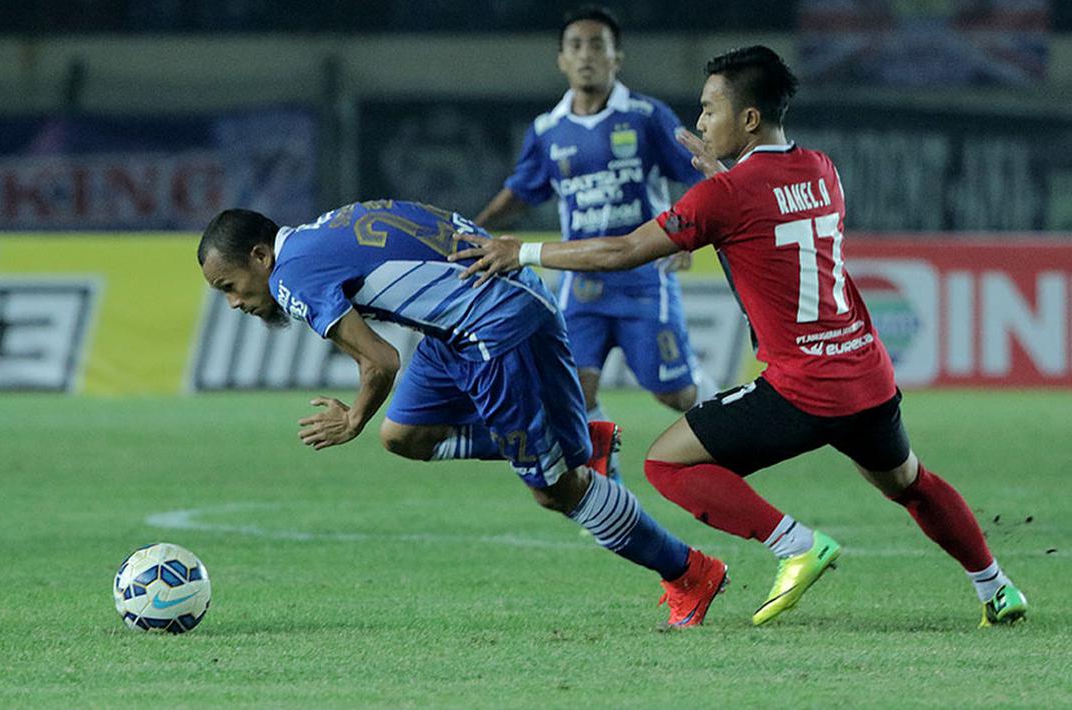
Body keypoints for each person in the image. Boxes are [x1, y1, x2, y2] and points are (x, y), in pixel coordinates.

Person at [450, 46, 1028, 628]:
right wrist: (725, 181)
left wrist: (520, 251)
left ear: (748, 118)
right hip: (865, 374)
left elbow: (623, 250)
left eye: (710, 109)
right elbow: (766, 218)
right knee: (909, 482)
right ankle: (997, 587)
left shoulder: (724, 197)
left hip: (803, 387)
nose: (700, 123)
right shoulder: (821, 169)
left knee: (667, 465)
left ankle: (796, 544)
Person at [196, 199, 728, 628]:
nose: (234, 303)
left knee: (556, 490)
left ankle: (689, 572)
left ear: (261, 256)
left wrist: (352, 418)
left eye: (229, 287)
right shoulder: (325, 227)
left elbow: (380, 361)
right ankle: (576, 441)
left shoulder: (291, 276)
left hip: (491, 331)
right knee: (404, 435)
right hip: (477, 318)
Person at [474, 5, 716, 463]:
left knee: (674, 394)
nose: (586, 55)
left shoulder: (646, 116)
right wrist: (474, 228)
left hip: (644, 278)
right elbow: (521, 192)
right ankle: (607, 485)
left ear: (616, 58)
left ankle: (725, 414)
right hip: (581, 284)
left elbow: (701, 171)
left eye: (597, 46)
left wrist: (690, 231)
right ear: (561, 59)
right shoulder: (547, 130)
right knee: (573, 394)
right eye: (576, 46)